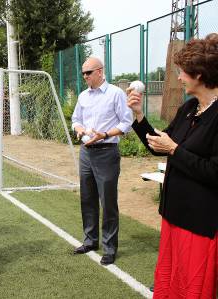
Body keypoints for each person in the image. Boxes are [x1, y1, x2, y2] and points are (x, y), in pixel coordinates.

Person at [127, 36, 218, 298]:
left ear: (199, 74)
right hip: (174, 214)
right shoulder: (190, 107)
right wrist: (139, 116)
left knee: (193, 288)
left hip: (199, 222)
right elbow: (159, 143)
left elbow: (214, 172)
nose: (178, 78)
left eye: (182, 72)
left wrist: (175, 150)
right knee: (171, 283)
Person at [71, 57, 133, 265]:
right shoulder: (83, 96)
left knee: (107, 201)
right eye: (83, 73)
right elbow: (76, 119)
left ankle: (109, 248)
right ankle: (90, 241)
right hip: (86, 153)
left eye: (88, 73)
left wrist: (105, 134)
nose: (85, 77)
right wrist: (79, 129)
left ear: (99, 72)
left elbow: (127, 122)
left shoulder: (115, 93)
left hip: (107, 151)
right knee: (87, 198)